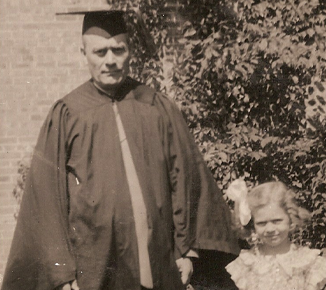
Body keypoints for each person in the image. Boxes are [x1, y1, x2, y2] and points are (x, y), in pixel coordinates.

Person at [1, 9, 239, 290]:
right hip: (93, 266)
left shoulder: (156, 106)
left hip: (160, 261)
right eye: (100, 52)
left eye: (118, 50)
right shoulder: (67, 114)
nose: (110, 60)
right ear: (84, 53)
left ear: (130, 51)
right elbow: (47, 200)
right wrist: (61, 274)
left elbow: (186, 179)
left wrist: (188, 251)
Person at [225, 180, 326, 290]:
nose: (270, 229)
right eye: (261, 223)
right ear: (253, 225)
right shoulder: (246, 265)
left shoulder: (307, 262)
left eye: (277, 221)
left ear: (291, 219)